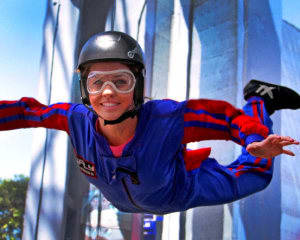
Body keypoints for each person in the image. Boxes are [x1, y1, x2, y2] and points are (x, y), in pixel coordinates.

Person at [1, 31, 299, 215]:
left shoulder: (166, 119)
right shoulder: (75, 120)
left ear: (138, 85)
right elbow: (28, 111)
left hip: (182, 190)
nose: (108, 93)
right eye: (96, 82)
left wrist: (253, 141)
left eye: (121, 81)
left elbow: (223, 117)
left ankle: (260, 99)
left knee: (258, 175)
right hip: (128, 203)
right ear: (84, 88)